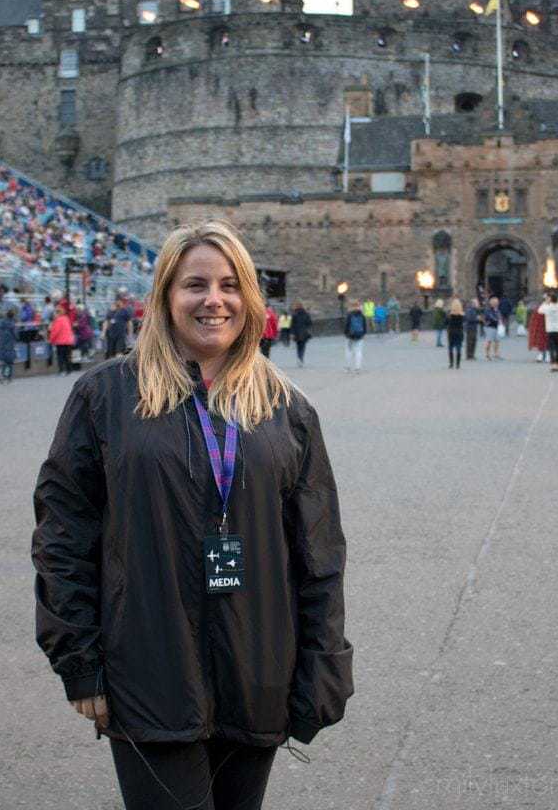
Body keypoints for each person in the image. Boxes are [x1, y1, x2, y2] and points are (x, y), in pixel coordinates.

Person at [32, 220, 353, 810]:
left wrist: (322, 667)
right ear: (165, 296)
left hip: (259, 670)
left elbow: (319, 553)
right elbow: (62, 535)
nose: (214, 300)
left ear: (249, 297)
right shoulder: (105, 397)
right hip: (147, 670)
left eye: (230, 285)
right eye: (195, 284)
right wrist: (79, 661)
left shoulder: (286, 408)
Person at [538, 293, 558, 372]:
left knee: (551, 348)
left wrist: (545, 302)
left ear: (550, 300)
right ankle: (557, 365)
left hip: (550, 330)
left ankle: (553, 365)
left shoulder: (547, 307)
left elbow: (539, 311)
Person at [48, 303, 75, 374]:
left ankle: (61, 370)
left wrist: (51, 340)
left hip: (61, 341)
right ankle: (69, 370)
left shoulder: (58, 320)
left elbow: (55, 331)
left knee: (60, 356)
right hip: (68, 341)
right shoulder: (66, 318)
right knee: (68, 356)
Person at [344, 299, 366, 372]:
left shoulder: (349, 314)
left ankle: (348, 367)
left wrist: (346, 333)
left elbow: (347, 325)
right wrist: (363, 333)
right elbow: (364, 325)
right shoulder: (361, 314)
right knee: (358, 351)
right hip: (360, 334)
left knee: (349, 351)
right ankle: (358, 367)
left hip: (350, 335)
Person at [290, 300, 312, 367]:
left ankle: (299, 358)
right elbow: (310, 323)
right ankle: (301, 358)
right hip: (304, 333)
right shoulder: (306, 314)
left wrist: (292, 333)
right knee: (303, 347)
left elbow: (292, 325)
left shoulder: (294, 314)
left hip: (297, 333)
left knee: (298, 347)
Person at [0, 309, 17, 382]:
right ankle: (9, 377)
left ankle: (2, 375)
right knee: (10, 362)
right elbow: (16, 334)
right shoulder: (12, 324)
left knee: (4, 361)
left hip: (2, 344)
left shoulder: (2, 322)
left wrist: (2, 337)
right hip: (10, 345)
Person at [528, 297, 548, 362]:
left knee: (548, 341)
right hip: (541, 327)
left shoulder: (553, 307)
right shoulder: (539, 308)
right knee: (541, 341)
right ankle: (542, 354)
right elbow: (534, 319)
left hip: (550, 327)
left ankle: (547, 354)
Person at [446, 297, 464, 369]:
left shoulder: (449, 316)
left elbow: (445, 323)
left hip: (451, 333)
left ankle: (451, 363)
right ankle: (458, 364)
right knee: (458, 348)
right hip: (459, 332)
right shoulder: (462, 316)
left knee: (450, 348)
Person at [483, 296, 501, 360]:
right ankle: (487, 355)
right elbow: (490, 317)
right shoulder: (488, 309)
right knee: (489, 341)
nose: (496, 303)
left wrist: (500, 320)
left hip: (496, 327)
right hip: (489, 327)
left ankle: (496, 354)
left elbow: (499, 316)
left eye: (497, 302)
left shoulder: (497, 309)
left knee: (497, 341)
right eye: (495, 302)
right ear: (491, 303)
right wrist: (497, 320)